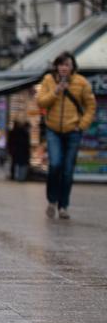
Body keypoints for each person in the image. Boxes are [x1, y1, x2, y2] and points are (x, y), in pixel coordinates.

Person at [35, 51, 96, 220]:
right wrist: (56, 91)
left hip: (73, 131)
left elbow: (91, 106)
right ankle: (52, 201)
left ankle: (63, 206)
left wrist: (81, 125)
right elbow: (41, 102)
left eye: (67, 65)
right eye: (60, 64)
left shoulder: (81, 83)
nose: (63, 68)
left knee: (68, 171)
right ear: (56, 66)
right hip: (53, 130)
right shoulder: (48, 80)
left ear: (72, 67)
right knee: (55, 165)